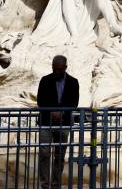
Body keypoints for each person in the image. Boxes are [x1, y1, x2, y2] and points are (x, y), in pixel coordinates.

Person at [37, 55, 79, 189]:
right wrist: (52, 112)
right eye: (54, 69)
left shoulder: (73, 82)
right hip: (46, 122)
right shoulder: (45, 80)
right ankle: (45, 185)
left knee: (59, 155)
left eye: (59, 69)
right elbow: (40, 101)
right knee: (44, 154)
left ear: (65, 68)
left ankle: (55, 184)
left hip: (64, 123)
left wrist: (62, 113)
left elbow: (74, 103)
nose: (57, 72)